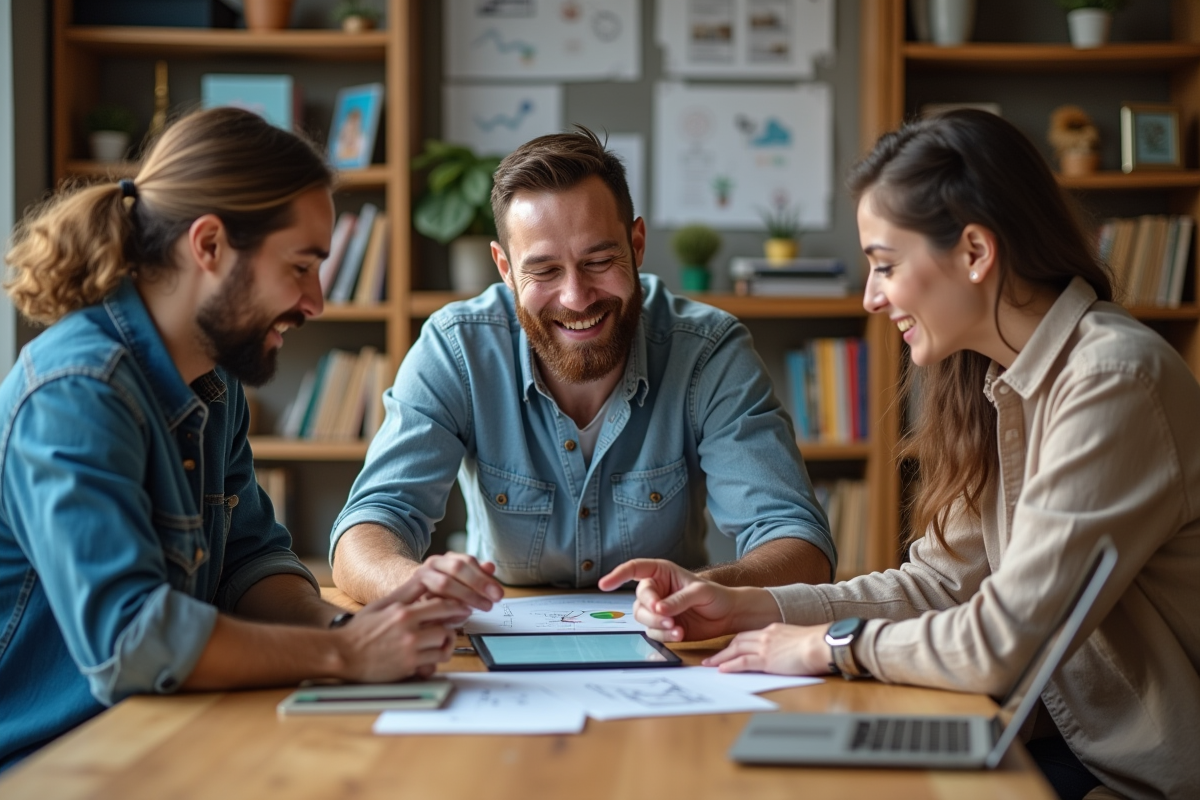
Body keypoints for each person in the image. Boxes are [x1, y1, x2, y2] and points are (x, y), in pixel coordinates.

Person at [598, 110, 1200, 800]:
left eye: (885, 265)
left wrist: (827, 646)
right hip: (1058, 742)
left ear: (975, 252)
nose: (871, 297)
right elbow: (939, 587)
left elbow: (1001, 640)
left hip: (1136, 776)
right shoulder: (999, 380)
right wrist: (748, 605)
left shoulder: (1112, 381)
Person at [0, 108, 468, 772]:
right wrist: (345, 656)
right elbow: (132, 639)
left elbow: (252, 559)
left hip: (164, 735)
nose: (315, 302)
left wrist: (345, 626)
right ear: (210, 245)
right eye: (301, 266)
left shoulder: (214, 388)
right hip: (54, 764)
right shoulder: (76, 393)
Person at [331, 126, 834, 608]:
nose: (576, 298)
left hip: (672, 638)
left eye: (598, 262)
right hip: (499, 631)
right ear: (505, 268)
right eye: (545, 270)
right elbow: (371, 523)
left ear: (636, 246)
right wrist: (414, 582)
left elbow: (798, 542)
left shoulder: (709, 352)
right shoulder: (455, 348)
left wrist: (708, 592)